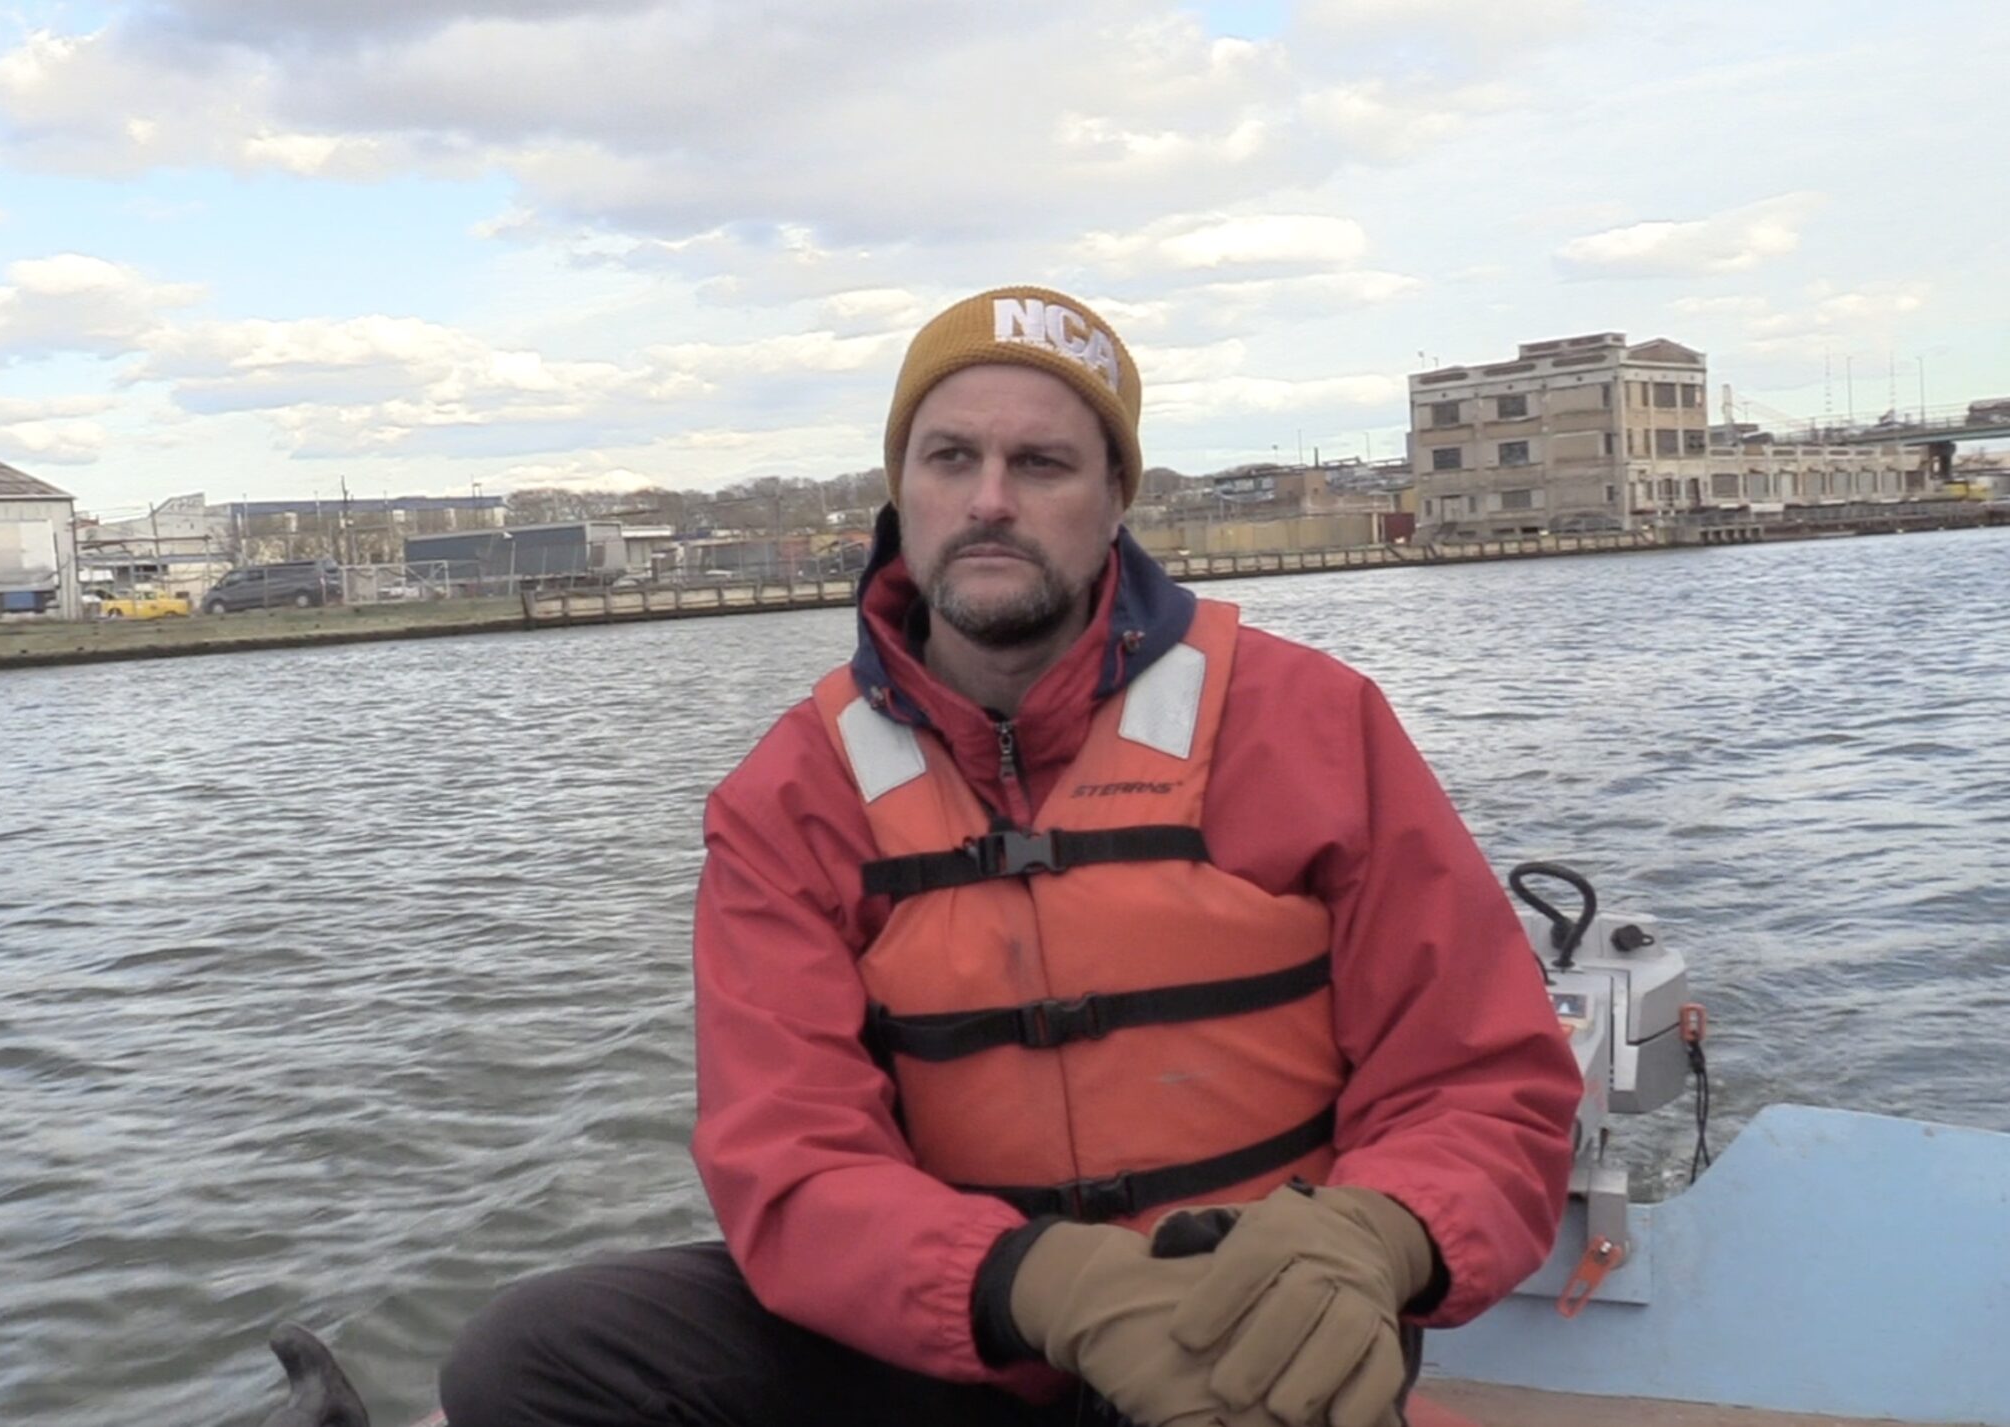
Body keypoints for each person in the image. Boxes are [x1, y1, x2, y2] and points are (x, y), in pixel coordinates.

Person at [440, 286, 1584, 1427]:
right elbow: (788, 1154)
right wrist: (1047, 1285)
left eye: (1041, 464)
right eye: (950, 458)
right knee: (531, 1358)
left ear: (1116, 497)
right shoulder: (790, 794)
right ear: (904, 489)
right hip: (961, 1340)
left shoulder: (1313, 721)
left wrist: (1375, 1234)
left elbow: (1480, 1078)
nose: (989, 500)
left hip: (1263, 1326)